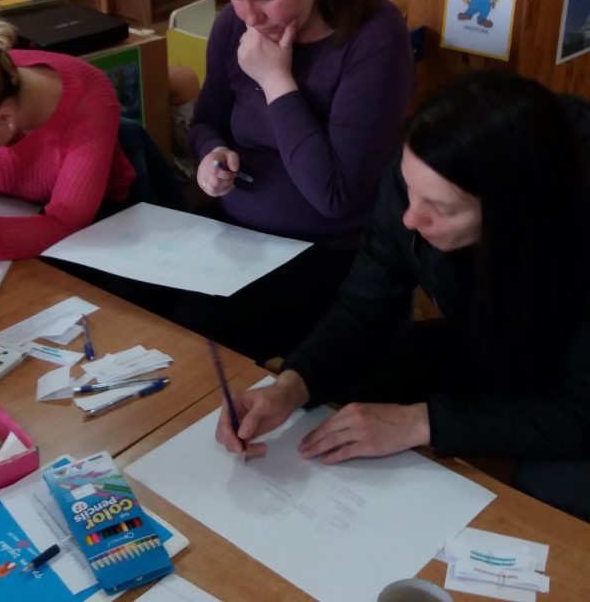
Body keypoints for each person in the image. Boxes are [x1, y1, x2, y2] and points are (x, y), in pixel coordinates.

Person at [215, 70, 590, 521]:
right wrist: (289, 387)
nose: (410, 219)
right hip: (494, 339)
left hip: (569, 379)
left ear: (511, 211)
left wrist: (419, 422)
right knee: (349, 387)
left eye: (441, 209)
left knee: (550, 486)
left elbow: (578, 413)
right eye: (410, 191)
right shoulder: (423, 170)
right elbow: (362, 306)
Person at [177, 0, 414, 361]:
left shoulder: (373, 37)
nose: (249, 16)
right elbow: (206, 122)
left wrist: (276, 82)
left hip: (333, 248)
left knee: (197, 334)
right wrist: (209, 156)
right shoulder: (233, 28)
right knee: (139, 304)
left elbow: (335, 197)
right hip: (238, 233)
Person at [0, 16, 182, 261]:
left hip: (100, 226)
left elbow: (64, 224)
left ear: (5, 118)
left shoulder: (89, 106)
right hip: (15, 210)